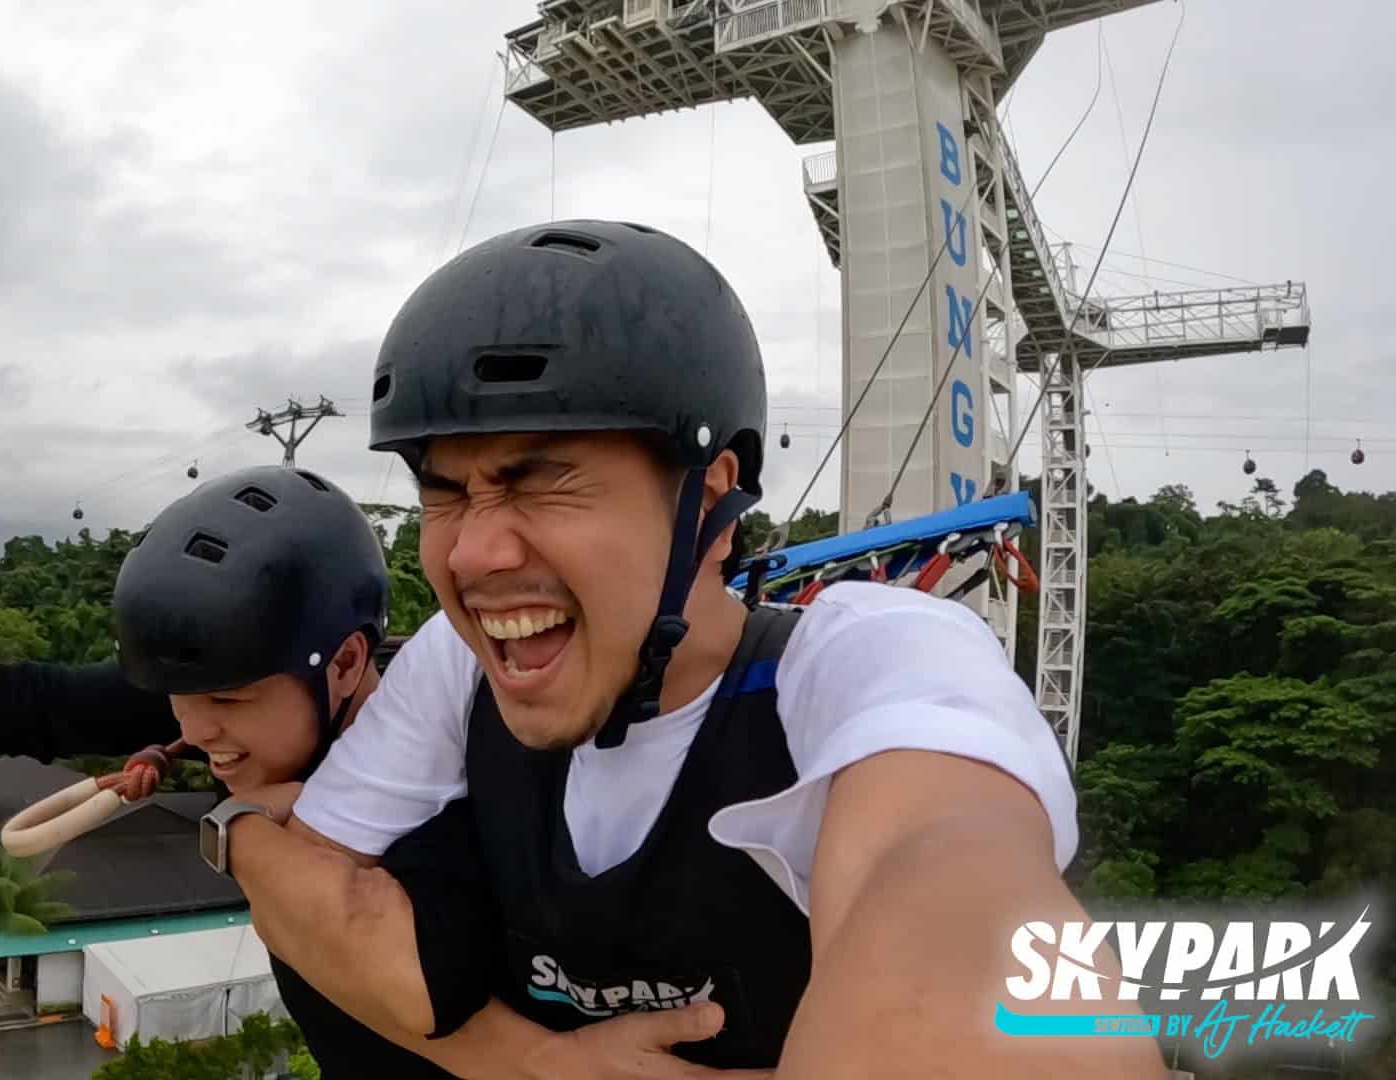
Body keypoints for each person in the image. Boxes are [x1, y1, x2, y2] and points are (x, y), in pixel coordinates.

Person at [199, 220, 1167, 1078]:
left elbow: (952, 888)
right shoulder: (461, 673)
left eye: (542, 480)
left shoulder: (873, 661)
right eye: (445, 492)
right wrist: (538, 1066)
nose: (473, 550)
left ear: (709, 493)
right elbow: (311, 886)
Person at [0, 465, 684, 1078]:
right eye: (181, 703)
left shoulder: (453, 748)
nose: (199, 728)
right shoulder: (237, 691)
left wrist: (258, 822)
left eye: (225, 705)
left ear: (351, 663)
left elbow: (431, 1000)